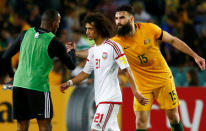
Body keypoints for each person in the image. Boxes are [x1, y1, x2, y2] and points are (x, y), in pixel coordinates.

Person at [76, 5, 205, 131]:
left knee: (173, 117)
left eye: (122, 18)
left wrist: (194, 55)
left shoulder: (149, 28)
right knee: (140, 121)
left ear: (132, 19)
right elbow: (96, 51)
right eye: (116, 19)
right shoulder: (116, 41)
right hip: (141, 85)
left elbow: (172, 40)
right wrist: (75, 52)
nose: (118, 22)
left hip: (163, 80)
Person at [60, 12, 148, 131]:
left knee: (95, 129)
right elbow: (85, 73)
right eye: (86, 29)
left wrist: (136, 92)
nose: (87, 32)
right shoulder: (93, 50)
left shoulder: (113, 47)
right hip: (100, 99)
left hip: (109, 98)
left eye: (90, 29)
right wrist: (69, 82)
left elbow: (126, 70)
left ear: (99, 29)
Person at [0, 9, 76, 131]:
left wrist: (12, 76)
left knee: (22, 126)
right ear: (53, 22)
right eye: (58, 22)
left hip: (19, 85)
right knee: (44, 125)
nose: (58, 25)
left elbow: (5, 57)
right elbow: (71, 65)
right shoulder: (54, 42)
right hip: (38, 87)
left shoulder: (24, 34)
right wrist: (72, 51)